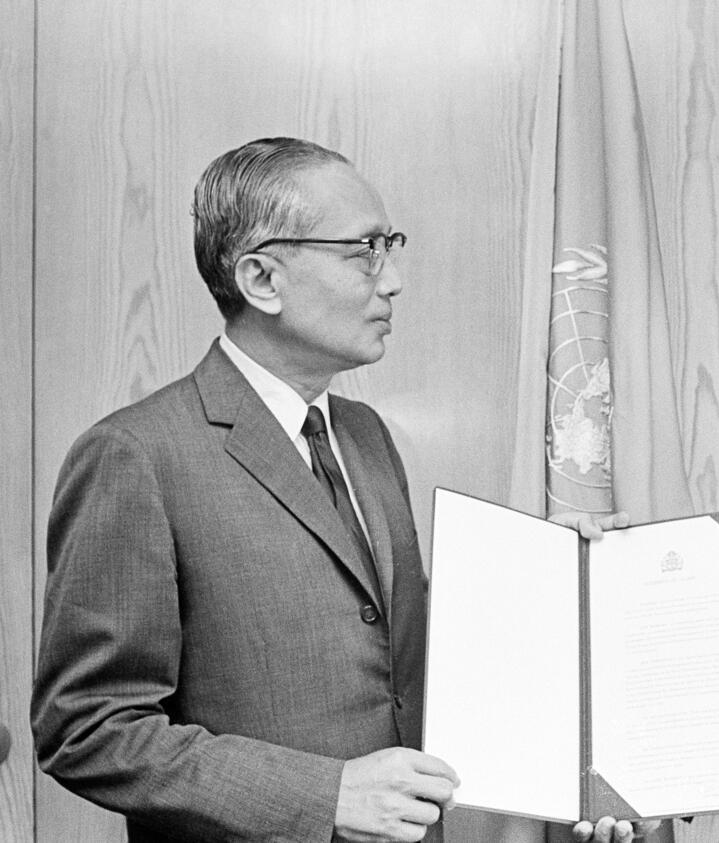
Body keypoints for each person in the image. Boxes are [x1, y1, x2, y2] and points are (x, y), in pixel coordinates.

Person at [32, 137, 639, 843]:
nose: (393, 279)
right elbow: (87, 728)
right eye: (364, 251)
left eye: (390, 246)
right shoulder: (135, 454)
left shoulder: (364, 433)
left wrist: (553, 580)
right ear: (262, 279)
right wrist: (325, 796)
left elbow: (398, 651)